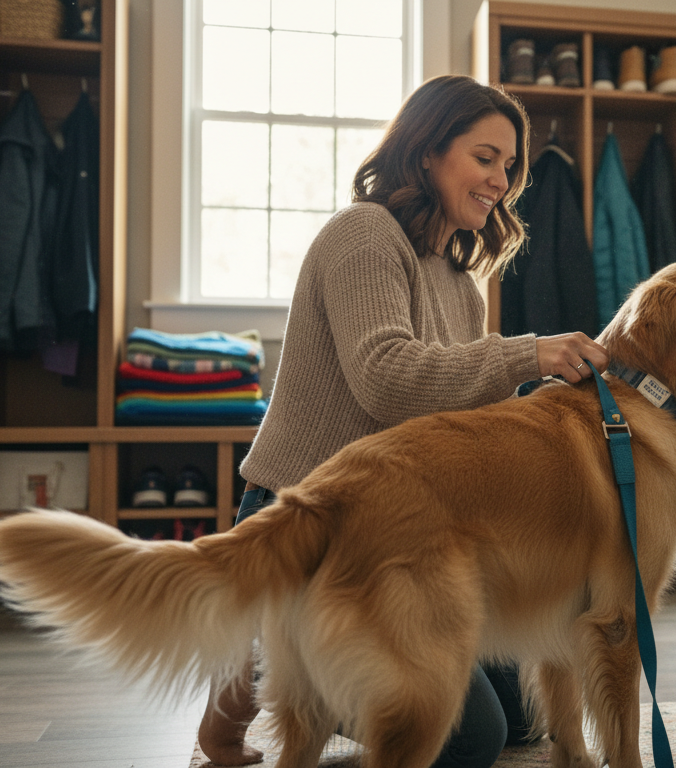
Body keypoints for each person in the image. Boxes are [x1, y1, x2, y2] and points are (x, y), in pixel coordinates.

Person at [196, 74, 610, 767]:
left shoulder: (457, 278)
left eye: (509, 166)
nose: (500, 181)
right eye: (485, 158)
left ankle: (286, 659)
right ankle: (267, 663)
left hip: (402, 529)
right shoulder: (363, 235)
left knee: (519, 718)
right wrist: (526, 354)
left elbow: (472, 420)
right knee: (465, 739)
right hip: (312, 515)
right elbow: (386, 377)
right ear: (425, 153)